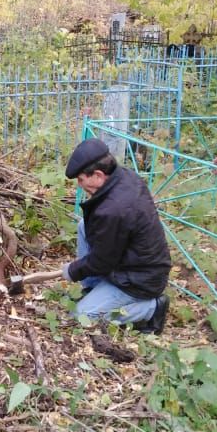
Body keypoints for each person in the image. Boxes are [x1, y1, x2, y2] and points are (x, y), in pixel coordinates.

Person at [62, 138, 171, 332]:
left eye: (81, 179)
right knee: (83, 226)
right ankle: (93, 288)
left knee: (80, 318)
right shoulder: (124, 177)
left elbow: (101, 261)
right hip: (132, 261)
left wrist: (73, 271)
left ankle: (151, 309)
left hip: (140, 280)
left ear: (98, 175)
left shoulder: (115, 209)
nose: (79, 185)